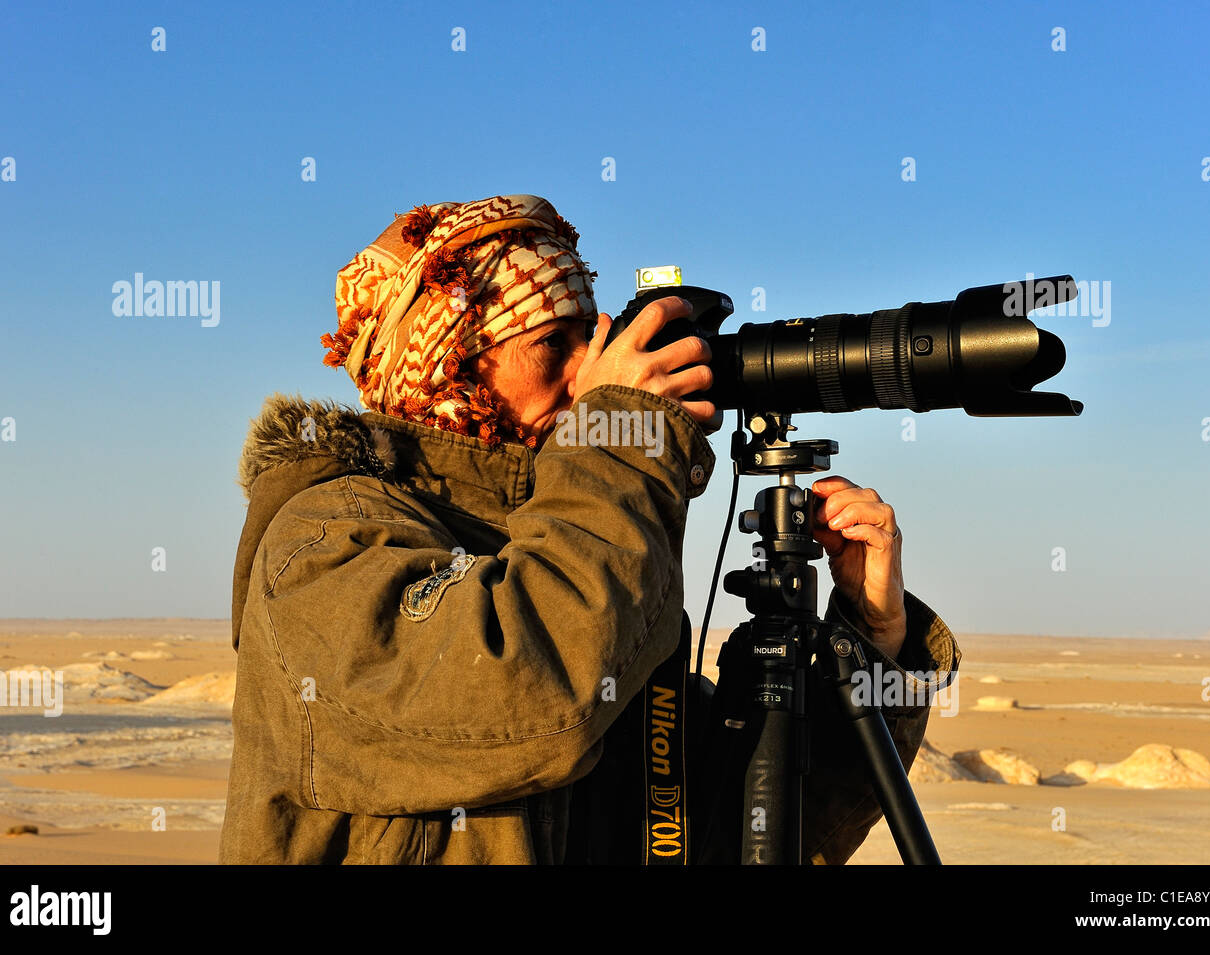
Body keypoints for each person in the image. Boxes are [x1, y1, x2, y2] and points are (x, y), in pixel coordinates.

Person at [219, 194, 960, 864]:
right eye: (553, 343)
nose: (587, 376)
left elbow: (745, 831)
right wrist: (624, 436)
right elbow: (534, 693)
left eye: (593, 340)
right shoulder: (324, 546)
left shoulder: (568, 546)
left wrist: (870, 636)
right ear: (451, 366)